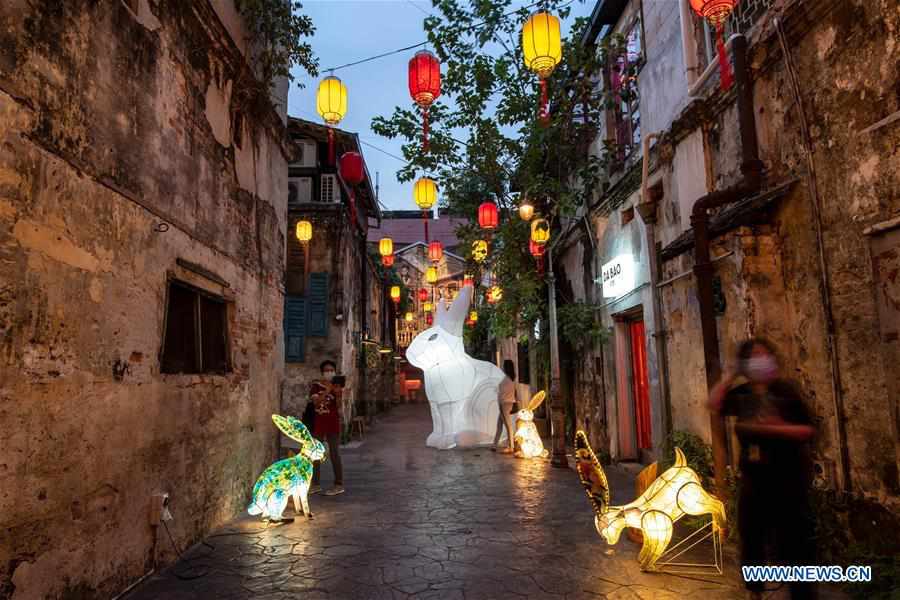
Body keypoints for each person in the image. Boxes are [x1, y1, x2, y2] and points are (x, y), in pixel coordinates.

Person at [709, 338, 817, 600]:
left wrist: (773, 427)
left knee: (795, 544)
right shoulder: (743, 394)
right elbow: (713, 403)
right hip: (754, 481)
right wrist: (731, 374)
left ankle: (801, 593)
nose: (760, 360)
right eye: (753, 357)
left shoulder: (786, 392)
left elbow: (809, 430)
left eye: (764, 354)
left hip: (789, 481)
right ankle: (754, 591)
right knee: (752, 541)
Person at [310, 360, 344, 496]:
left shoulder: (337, 387)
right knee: (315, 453)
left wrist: (339, 393)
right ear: (322, 372)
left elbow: (340, 407)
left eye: (331, 370)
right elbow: (316, 402)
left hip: (332, 423)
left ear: (334, 372)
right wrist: (328, 390)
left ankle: (338, 484)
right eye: (326, 370)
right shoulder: (315, 386)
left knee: (335, 453)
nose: (329, 372)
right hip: (318, 422)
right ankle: (315, 483)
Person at [492, 360, 518, 454]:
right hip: (508, 403)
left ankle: (511, 447)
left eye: (503, 366)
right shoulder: (511, 379)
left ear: (506, 367)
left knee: (508, 426)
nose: (502, 367)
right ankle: (494, 445)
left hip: (504, 404)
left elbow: (502, 394)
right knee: (499, 425)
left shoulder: (506, 379)